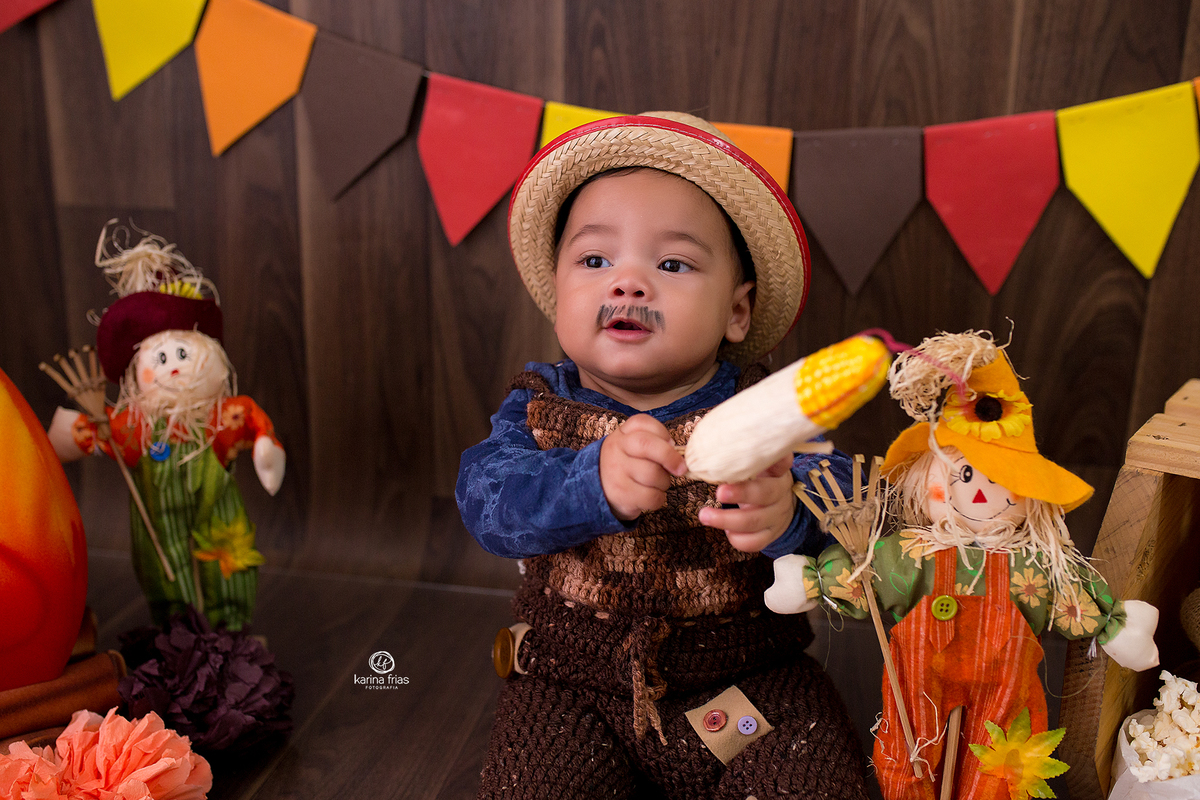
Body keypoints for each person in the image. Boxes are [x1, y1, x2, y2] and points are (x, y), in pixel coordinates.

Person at [457, 112, 869, 800]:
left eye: (672, 264)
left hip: (741, 691)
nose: (628, 283)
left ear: (737, 312)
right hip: (573, 685)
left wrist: (788, 516)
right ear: (557, 291)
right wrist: (591, 483)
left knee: (809, 775)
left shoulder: (767, 410)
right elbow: (487, 503)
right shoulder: (536, 409)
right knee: (533, 784)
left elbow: (853, 508)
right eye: (595, 260)